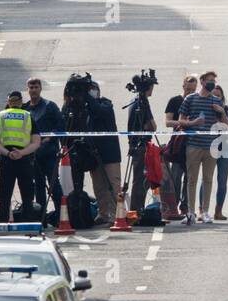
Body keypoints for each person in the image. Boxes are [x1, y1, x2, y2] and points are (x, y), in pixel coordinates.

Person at [178, 71, 226, 225]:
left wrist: (222, 112)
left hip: (210, 146)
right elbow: (180, 121)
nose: (212, 83)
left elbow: (225, 125)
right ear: (202, 81)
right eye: (209, 80)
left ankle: (205, 211)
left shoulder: (216, 100)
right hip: (193, 145)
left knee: (208, 179)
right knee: (192, 179)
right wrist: (193, 123)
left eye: (214, 80)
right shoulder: (190, 99)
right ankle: (190, 212)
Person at [0, 90, 41, 223]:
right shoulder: (28, 116)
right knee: (27, 195)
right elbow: (36, 142)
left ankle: (2, 223)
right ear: (21, 102)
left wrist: (7, 153)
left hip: (6, 159)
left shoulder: (0, 116)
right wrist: (21, 153)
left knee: (4, 195)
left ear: (8, 102)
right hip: (24, 159)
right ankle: (28, 224)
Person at [83, 79, 124, 226]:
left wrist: (87, 96)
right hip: (93, 152)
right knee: (99, 186)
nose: (91, 92)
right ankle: (103, 213)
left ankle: (116, 215)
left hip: (109, 153)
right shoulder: (84, 107)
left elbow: (99, 111)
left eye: (92, 89)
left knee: (113, 184)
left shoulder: (105, 103)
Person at [26, 77, 66, 219]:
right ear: (28, 89)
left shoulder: (50, 106)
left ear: (40, 88)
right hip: (33, 155)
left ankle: (61, 217)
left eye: (36, 87)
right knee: (39, 187)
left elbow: (61, 125)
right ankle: (41, 218)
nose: (33, 90)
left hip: (49, 153)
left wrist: (49, 139)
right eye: (31, 87)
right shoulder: (25, 109)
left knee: (55, 186)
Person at [163, 75, 197, 218]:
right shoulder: (175, 100)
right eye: (188, 89)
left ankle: (185, 206)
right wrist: (183, 123)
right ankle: (173, 206)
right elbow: (167, 122)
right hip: (178, 143)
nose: (189, 92)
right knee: (175, 177)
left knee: (189, 178)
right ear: (183, 86)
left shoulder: (197, 102)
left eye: (193, 90)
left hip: (193, 144)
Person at [126, 74, 158, 213]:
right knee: (140, 180)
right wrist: (146, 126)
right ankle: (136, 210)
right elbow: (153, 126)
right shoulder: (142, 102)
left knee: (139, 180)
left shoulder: (136, 100)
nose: (152, 90)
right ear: (148, 88)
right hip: (141, 146)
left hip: (136, 144)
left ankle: (137, 209)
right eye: (152, 87)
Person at [211, 84, 228, 220]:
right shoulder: (206, 109)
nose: (216, 98)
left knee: (222, 181)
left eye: (218, 96)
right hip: (209, 147)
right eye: (213, 96)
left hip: (226, 147)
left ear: (222, 98)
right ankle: (202, 210)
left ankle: (218, 211)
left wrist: (222, 113)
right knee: (206, 179)